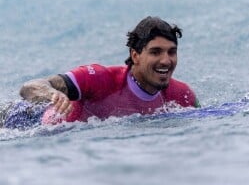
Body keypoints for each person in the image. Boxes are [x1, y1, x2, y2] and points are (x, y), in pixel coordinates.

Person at [5, 16, 199, 128]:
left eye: (172, 52)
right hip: (29, 120)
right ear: (136, 55)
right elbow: (28, 88)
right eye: (156, 52)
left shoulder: (182, 95)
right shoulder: (99, 79)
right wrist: (52, 94)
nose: (166, 60)